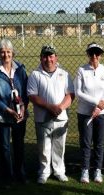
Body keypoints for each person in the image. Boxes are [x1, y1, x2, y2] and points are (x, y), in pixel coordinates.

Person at [27, 45, 74, 184]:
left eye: (51, 56)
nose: (48, 59)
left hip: (61, 116)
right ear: (41, 58)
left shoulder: (64, 74)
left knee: (59, 146)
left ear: (56, 57)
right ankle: (44, 172)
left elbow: (70, 94)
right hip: (42, 117)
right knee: (44, 148)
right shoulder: (35, 74)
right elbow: (32, 96)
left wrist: (60, 107)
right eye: (45, 56)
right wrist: (49, 107)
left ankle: (59, 171)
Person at [0, 39, 28, 187]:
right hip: (1, 115)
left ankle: (20, 173)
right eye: (2, 52)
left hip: (20, 115)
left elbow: (26, 91)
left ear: (13, 53)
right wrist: (7, 109)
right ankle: (7, 177)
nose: (6, 55)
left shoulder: (20, 69)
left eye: (8, 52)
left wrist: (23, 107)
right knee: (4, 147)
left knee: (19, 145)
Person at [74, 42, 104, 183]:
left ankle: (97, 170)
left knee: (99, 143)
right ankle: (85, 170)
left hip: (102, 113)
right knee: (85, 142)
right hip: (85, 113)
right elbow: (78, 92)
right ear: (88, 54)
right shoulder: (81, 70)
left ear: (101, 55)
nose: (94, 56)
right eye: (91, 53)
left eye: (97, 53)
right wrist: (96, 103)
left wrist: (101, 107)